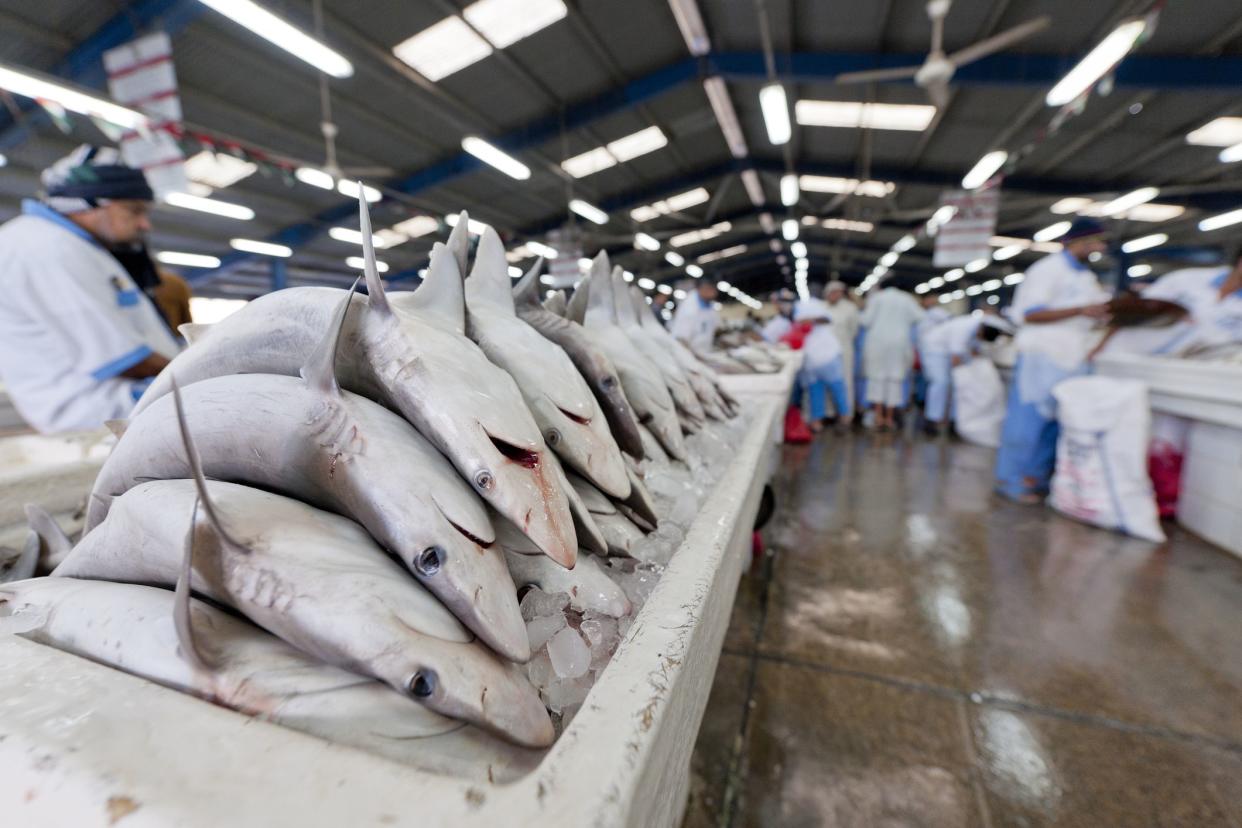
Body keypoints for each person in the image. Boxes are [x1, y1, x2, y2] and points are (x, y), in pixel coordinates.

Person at [0, 145, 180, 433]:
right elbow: (123, 358)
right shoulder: (48, 249)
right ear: (89, 203)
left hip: (121, 406)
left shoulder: (71, 245)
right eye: (134, 210)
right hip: (105, 414)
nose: (144, 224)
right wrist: (196, 373)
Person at [995, 217, 1111, 502]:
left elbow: (1095, 313)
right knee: (1027, 423)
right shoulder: (1048, 270)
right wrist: (1081, 310)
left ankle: (1036, 480)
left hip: (1072, 358)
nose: (1099, 248)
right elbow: (1030, 313)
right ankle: (1011, 481)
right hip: (1042, 355)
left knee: (1054, 425)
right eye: (1095, 242)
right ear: (1080, 241)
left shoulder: (1085, 277)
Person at [1093, 249, 1242, 358]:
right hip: (1124, 356)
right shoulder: (1185, 279)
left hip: (1177, 373)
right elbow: (1131, 311)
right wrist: (1099, 346)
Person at [921, 311, 1014, 434]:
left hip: (950, 352)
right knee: (941, 383)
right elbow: (956, 358)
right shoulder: (963, 327)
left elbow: (974, 352)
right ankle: (932, 420)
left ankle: (953, 420)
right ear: (981, 331)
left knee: (957, 386)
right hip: (936, 350)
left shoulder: (978, 331)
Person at [860, 284, 924, 431]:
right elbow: (920, 316)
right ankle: (889, 418)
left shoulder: (877, 298)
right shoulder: (906, 298)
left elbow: (866, 320)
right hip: (899, 343)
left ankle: (878, 417)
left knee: (877, 379)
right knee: (894, 380)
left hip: (878, 342)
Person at [791, 299, 850, 434]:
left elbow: (828, 319)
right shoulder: (800, 322)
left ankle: (844, 419)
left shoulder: (822, 321)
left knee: (838, 390)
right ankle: (817, 422)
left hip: (829, 359)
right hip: (812, 362)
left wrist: (811, 320)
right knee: (815, 392)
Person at [823, 281, 860, 419]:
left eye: (838, 292)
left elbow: (854, 330)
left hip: (844, 350)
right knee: (827, 382)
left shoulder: (850, 308)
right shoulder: (822, 307)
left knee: (845, 382)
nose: (835, 295)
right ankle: (829, 412)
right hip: (825, 352)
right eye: (832, 292)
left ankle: (845, 415)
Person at [669, 278, 719, 351]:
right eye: (713, 290)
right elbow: (681, 337)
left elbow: (716, 324)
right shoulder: (689, 306)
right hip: (688, 352)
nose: (715, 293)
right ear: (704, 289)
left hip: (703, 351)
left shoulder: (709, 304)